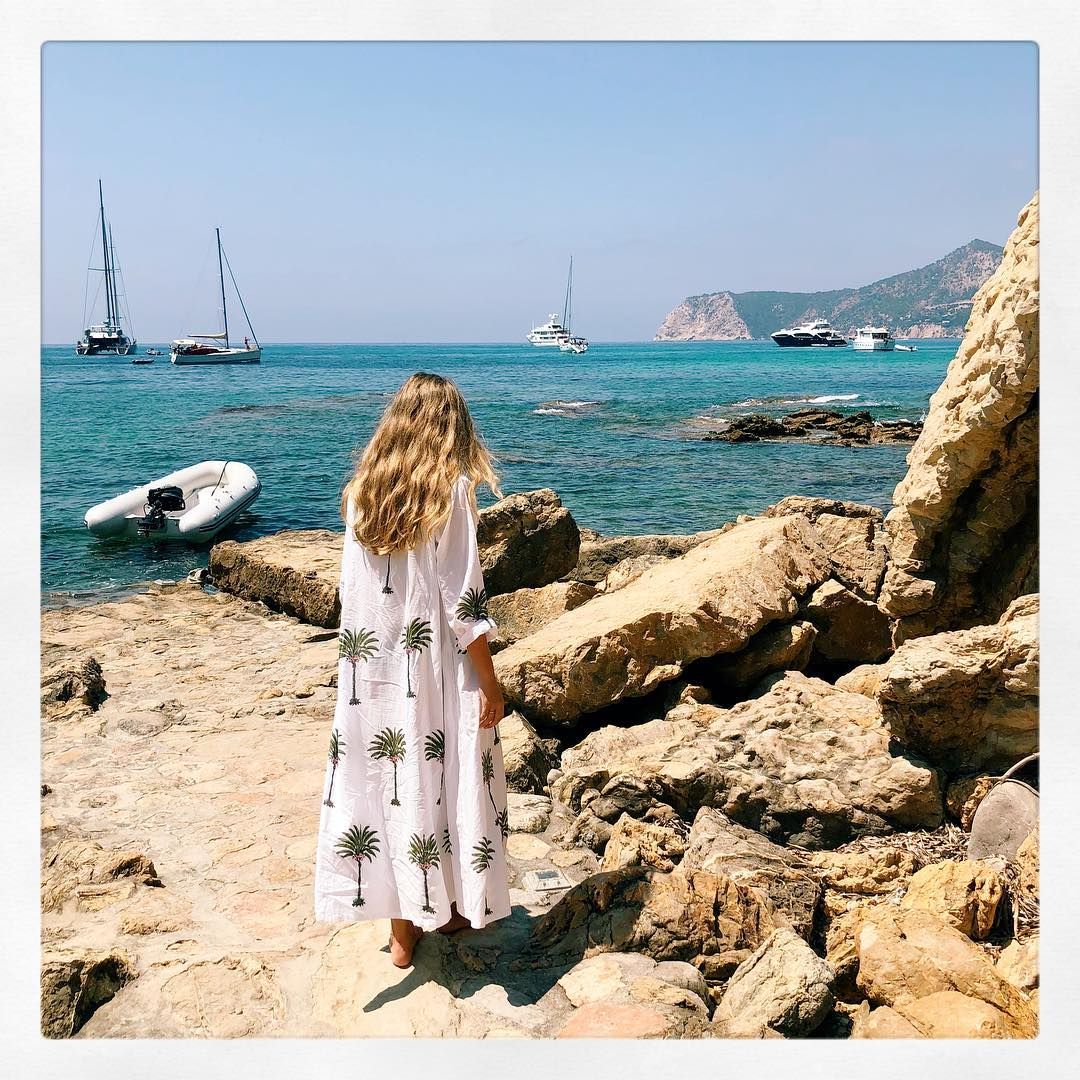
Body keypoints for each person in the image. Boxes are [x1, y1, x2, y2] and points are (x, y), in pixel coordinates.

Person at [313, 372, 509, 969]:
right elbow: (461, 599)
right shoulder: (450, 493)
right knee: (446, 779)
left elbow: (352, 592)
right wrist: (490, 679)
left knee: (387, 791)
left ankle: (404, 931)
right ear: (450, 426)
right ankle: (446, 909)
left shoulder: (360, 494)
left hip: (369, 674)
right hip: (435, 671)